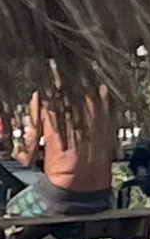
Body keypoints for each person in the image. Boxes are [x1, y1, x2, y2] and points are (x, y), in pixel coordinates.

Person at [12, 89, 118, 221]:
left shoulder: (45, 98)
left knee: (11, 212)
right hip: (102, 198)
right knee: (38, 228)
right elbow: (115, 152)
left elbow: (27, 159)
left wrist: (16, 145)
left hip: (61, 196)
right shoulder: (105, 95)